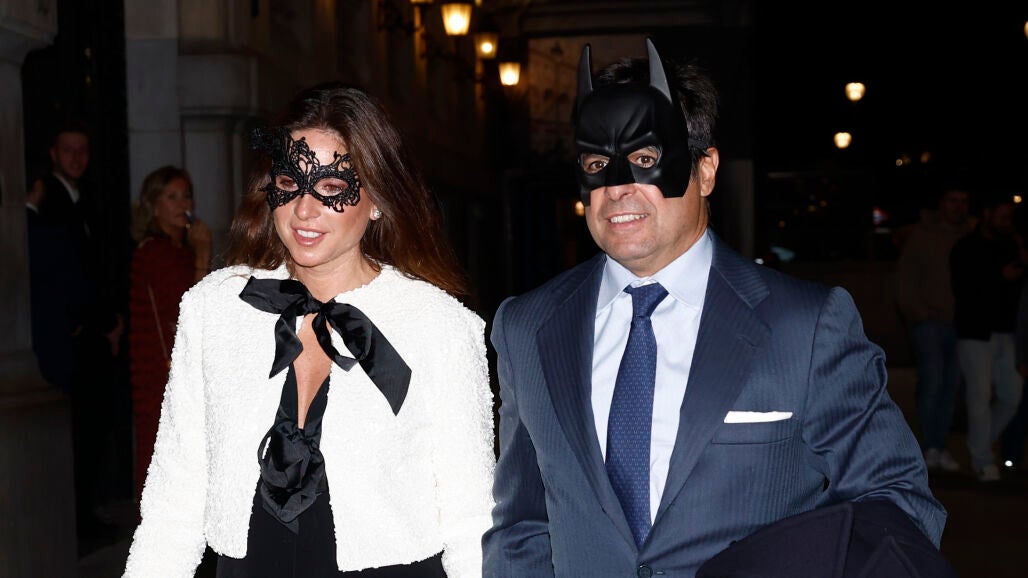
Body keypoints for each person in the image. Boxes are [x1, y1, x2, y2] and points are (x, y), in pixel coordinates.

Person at [482, 39, 947, 577]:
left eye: (645, 160)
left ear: (705, 170)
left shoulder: (805, 326)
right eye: (596, 162)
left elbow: (895, 501)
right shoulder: (528, 327)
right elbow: (521, 525)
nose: (617, 188)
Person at [122, 82, 495, 577]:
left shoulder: (438, 326)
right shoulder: (215, 309)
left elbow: (472, 519)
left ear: (377, 199)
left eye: (332, 188)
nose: (303, 209)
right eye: (289, 181)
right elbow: (173, 504)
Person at [27, 121, 126, 541]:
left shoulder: (86, 198)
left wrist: (111, 320)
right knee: (81, 432)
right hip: (73, 335)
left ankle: (85, 516)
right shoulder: (46, 199)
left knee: (93, 430)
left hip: (92, 334)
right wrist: (94, 323)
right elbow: (60, 273)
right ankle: (78, 523)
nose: (76, 158)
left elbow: (97, 267)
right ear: (53, 153)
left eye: (82, 150)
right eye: (68, 150)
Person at [127, 165, 213, 510]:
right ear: (153, 206)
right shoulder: (155, 253)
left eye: (187, 196)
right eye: (172, 197)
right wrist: (204, 255)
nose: (183, 204)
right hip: (161, 379)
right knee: (166, 468)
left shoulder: (179, 250)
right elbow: (188, 313)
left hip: (176, 374)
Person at [896, 181, 973, 472]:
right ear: (941, 204)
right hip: (929, 323)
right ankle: (929, 446)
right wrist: (919, 312)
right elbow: (904, 279)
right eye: (953, 200)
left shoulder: (971, 235)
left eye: (963, 201)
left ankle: (940, 446)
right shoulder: (922, 236)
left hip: (962, 324)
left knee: (951, 388)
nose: (958, 207)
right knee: (933, 382)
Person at [950, 191, 1025, 482]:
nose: (1007, 222)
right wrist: (999, 277)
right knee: (979, 396)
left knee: (1012, 395)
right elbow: (964, 290)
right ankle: (982, 460)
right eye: (1003, 217)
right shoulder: (966, 247)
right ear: (988, 214)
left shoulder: (1010, 244)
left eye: (1010, 217)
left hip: (1006, 333)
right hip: (975, 333)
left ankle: (978, 446)